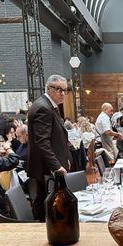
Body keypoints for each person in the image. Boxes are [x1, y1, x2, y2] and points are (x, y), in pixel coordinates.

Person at [26, 74, 71, 221]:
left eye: (65, 90)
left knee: (48, 202)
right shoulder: (43, 107)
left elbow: (57, 138)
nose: (63, 93)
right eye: (59, 89)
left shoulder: (49, 106)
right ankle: (41, 231)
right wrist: (56, 165)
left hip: (49, 165)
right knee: (44, 204)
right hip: (45, 167)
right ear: (48, 88)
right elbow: (42, 141)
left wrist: (66, 158)